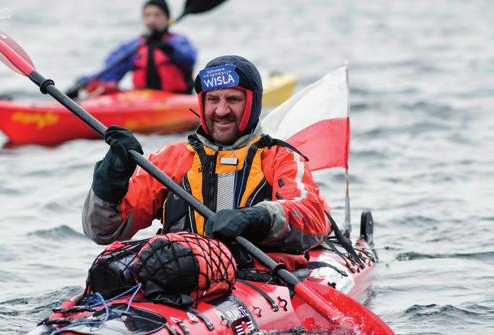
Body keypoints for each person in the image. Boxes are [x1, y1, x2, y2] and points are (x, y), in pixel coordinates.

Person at [82, 55, 331, 260]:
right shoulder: (170, 160)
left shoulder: (280, 158)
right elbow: (102, 232)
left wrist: (257, 217)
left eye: (233, 99)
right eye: (212, 100)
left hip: (259, 278)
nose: (221, 111)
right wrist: (109, 184)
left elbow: (313, 215)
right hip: (181, 279)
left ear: (252, 104)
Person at [67, 0, 197, 98]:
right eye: (147, 15)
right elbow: (110, 71)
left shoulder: (177, 41)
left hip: (177, 98)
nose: (151, 20)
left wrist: (168, 48)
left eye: (157, 15)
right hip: (143, 99)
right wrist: (84, 82)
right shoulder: (135, 45)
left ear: (167, 18)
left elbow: (190, 58)